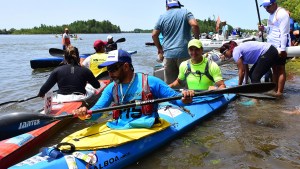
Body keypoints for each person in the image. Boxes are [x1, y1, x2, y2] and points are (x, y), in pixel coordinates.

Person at [72, 49, 195, 129]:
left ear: (126, 66)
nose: (110, 73)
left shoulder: (151, 82)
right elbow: (97, 111)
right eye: (107, 70)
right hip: (119, 128)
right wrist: (85, 114)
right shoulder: (111, 88)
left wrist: (186, 97)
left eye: (113, 69)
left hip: (145, 128)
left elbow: (176, 100)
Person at [152, 0, 200, 85]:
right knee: (188, 84)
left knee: (171, 86)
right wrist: (196, 42)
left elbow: (154, 35)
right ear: (178, 6)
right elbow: (195, 25)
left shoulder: (162, 16)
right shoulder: (185, 12)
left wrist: (159, 49)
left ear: (167, 7)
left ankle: (173, 98)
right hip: (185, 53)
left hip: (168, 55)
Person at [259, 0, 291, 97]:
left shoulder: (282, 14)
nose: (266, 9)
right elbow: (271, 29)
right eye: (264, 7)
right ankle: (275, 90)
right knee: (274, 69)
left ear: (274, 4)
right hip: (271, 46)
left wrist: (282, 49)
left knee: (280, 68)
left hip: (280, 46)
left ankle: (280, 92)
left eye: (268, 7)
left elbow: (284, 33)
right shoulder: (271, 14)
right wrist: (264, 29)